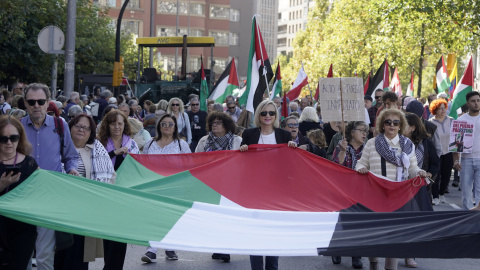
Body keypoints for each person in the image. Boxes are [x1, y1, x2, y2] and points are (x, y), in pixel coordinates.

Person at [356, 109, 427, 270]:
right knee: (374, 234)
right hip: (375, 195)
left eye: (396, 122)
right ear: (382, 124)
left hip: (398, 197)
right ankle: (373, 263)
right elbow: (361, 163)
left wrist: (419, 172)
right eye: (388, 122)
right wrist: (360, 168)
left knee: (394, 235)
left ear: (401, 125)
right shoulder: (372, 143)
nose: (392, 125)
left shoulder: (408, 145)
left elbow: (413, 168)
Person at [21, 83, 79, 270]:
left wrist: (72, 169)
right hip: (22, 197)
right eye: (32, 101)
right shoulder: (18, 128)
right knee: (22, 255)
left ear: (47, 103)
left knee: (45, 256)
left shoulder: (60, 125)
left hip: (49, 197)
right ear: (25, 103)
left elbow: (70, 156)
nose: (36, 105)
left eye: (40, 101)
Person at [239, 100, 297, 270]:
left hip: (276, 191)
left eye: (271, 113)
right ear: (258, 115)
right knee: (255, 232)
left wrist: (292, 148)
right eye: (264, 113)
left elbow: (289, 163)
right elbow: (243, 161)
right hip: (253, 190)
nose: (268, 116)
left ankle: (272, 267)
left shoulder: (284, 135)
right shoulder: (249, 134)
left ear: (276, 116)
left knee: (273, 232)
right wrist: (243, 149)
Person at [54, 114, 115, 269]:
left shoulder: (97, 148)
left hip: (84, 210)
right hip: (60, 209)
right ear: (70, 127)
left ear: (91, 132)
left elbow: (109, 175)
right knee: (59, 253)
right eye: (78, 126)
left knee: (80, 255)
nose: (82, 130)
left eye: (86, 128)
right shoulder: (58, 146)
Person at [140, 114, 190, 264]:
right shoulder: (149, 144)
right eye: (164, 124)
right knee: (154, 217)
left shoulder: (182, 145)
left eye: (170, 124)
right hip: (154, 186)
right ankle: (151, 250)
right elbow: (143, 163)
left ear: (175, 127)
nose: (167, 127)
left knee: (170, 217)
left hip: (174, 187)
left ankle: (169, 246)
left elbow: (189, 166)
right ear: (159, 127)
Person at [97, 109, 139, 269]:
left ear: (124, 125)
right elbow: (98, 164)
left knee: (121, 236)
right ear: (107, 125)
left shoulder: (132, 144)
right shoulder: (100, 143)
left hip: (124, 196)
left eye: (120, 123)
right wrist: (115, 152)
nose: (116, 127)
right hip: (106, 195)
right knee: (108, 235)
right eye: (113, 123)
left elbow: (137, 169)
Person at [0, 115, 38, 270]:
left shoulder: (29, 163)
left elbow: (38, 194)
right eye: (3, 139)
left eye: (14, 138)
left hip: (23, 230)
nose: (9, 143)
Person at [330, 121, 368, 269]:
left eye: (366, 131)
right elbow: (335, 167)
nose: (365, 133)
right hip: (343, 191)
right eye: (361, 130)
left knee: (358, 224)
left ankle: (356, 255)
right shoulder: (342, 146)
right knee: (341, 223)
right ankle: (337, 249)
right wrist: (342, 152)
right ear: (352, 133)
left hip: (361, 192)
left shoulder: (368, 149)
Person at [453, 91, 480, 210]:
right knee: (466, 194)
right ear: (468, 103)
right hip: (465, 160)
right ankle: (467, 221)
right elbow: (456, 143)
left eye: (478, 101)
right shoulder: (461, 120)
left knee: (479, 192)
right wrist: (456, 160)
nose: (476, 103)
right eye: (473, 101)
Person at [429, 98, 453, 205]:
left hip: (448, 152)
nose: (443, 111)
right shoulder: (430, 123)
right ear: (435, 110)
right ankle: (435, 196)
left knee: (446, 175)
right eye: (440, 109)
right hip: (436, 153)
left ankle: (442, 193)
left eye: (444, 108)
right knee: (436, 176)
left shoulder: (451, 120)